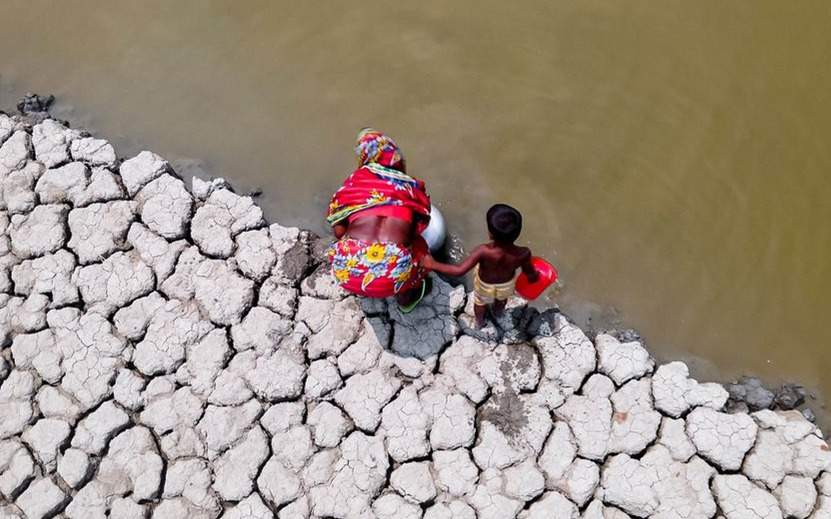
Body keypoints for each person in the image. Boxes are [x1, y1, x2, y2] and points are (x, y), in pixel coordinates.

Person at [327, 128, 432, 311]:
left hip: (346, 273)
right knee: (421, 249)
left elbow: (338, 232)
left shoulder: (353, 183)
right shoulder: (412, 187)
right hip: (392, 279)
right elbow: (418, 228)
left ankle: (363, 281)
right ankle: (406, 298)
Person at [423, 204, 538, 328]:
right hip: (506, 284)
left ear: (490, 234)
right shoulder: (523, 253)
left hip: (484, 285)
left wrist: (433, 264)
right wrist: (534, 277)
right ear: (517, 233)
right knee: (501, 300)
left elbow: (459, 270)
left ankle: (480, 321)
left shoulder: (483, 251)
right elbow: (529, 272)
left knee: (480, 303)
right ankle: (498, 312)